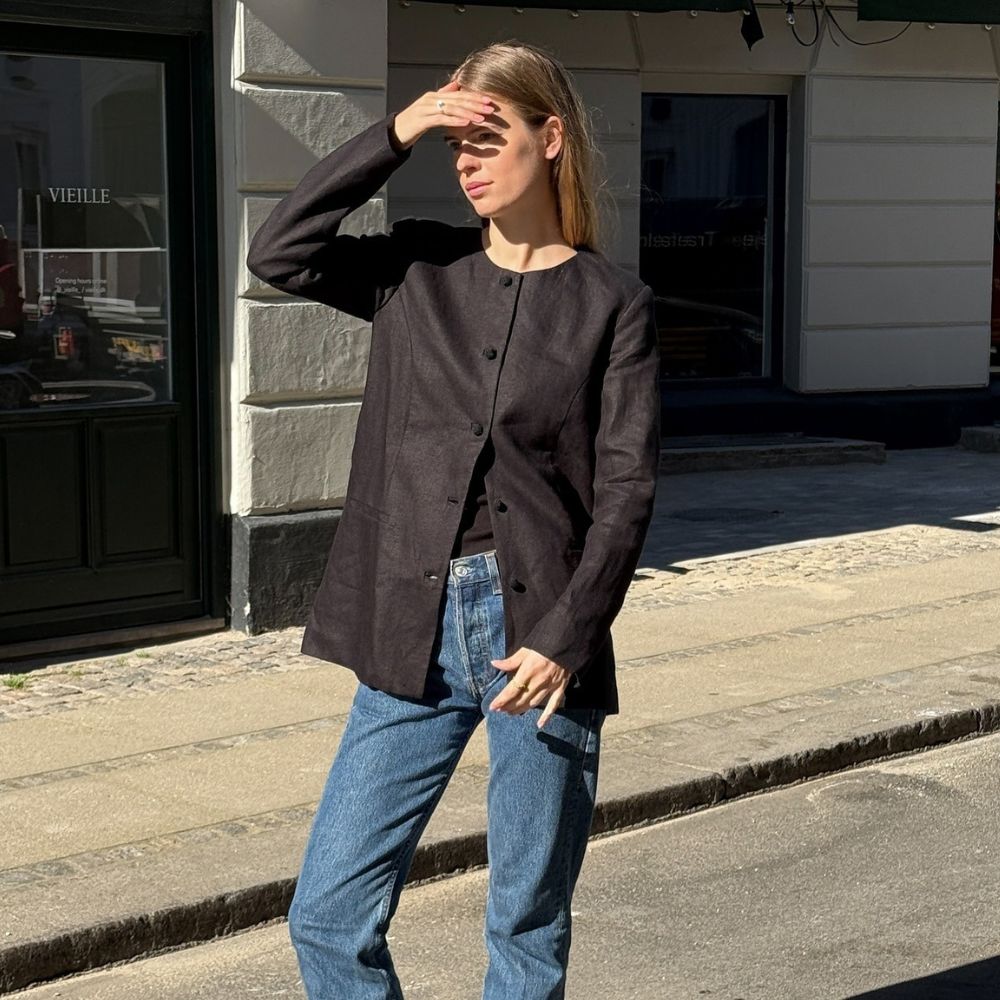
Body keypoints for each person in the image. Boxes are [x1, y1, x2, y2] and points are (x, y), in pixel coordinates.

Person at [246, 39, 660, 1000]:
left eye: (487, 136)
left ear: (549, 139)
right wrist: (399, 130)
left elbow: (626, 491)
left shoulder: (612, 304)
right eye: (455, 144)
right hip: (410, 629)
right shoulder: (414, 268)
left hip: (539, 646)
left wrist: (566, 636)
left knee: (526, 926)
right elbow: (280, 252)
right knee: (328, 915)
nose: (466, 161)